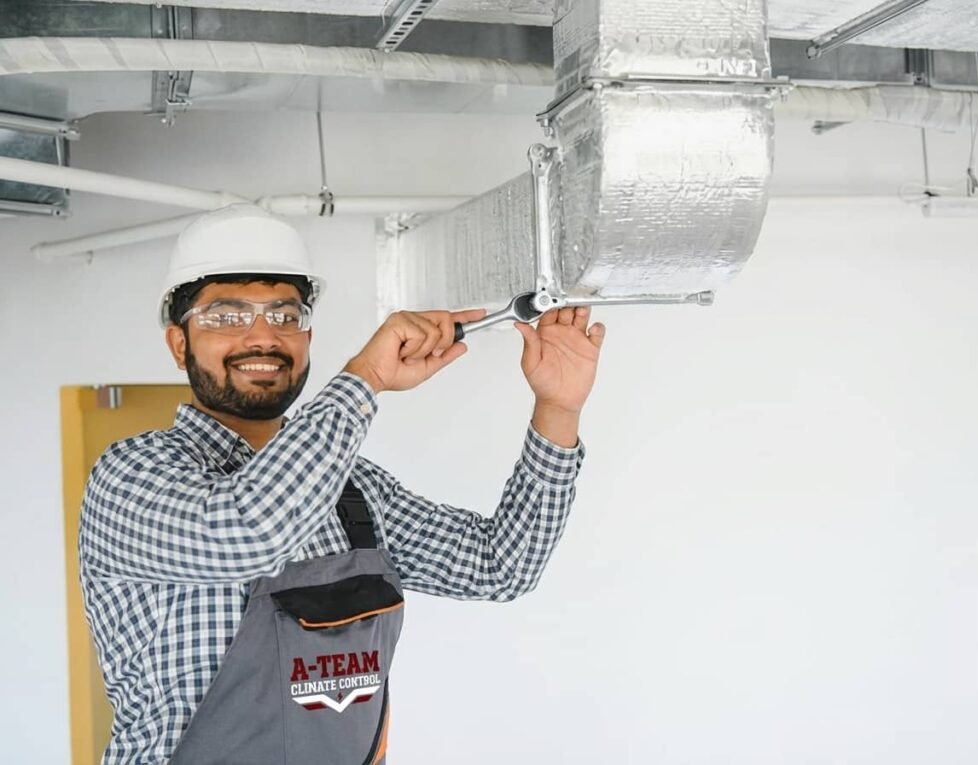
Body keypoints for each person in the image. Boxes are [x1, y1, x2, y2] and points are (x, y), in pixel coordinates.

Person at [79, 203, 605, 764]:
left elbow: (499, 566)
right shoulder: (131, 477)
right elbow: (251, 531)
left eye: (285, 315)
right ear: (179, 343)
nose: (263, 337)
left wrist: (557, 410)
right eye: (227, 316)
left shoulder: (351, 491)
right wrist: (367, 377)